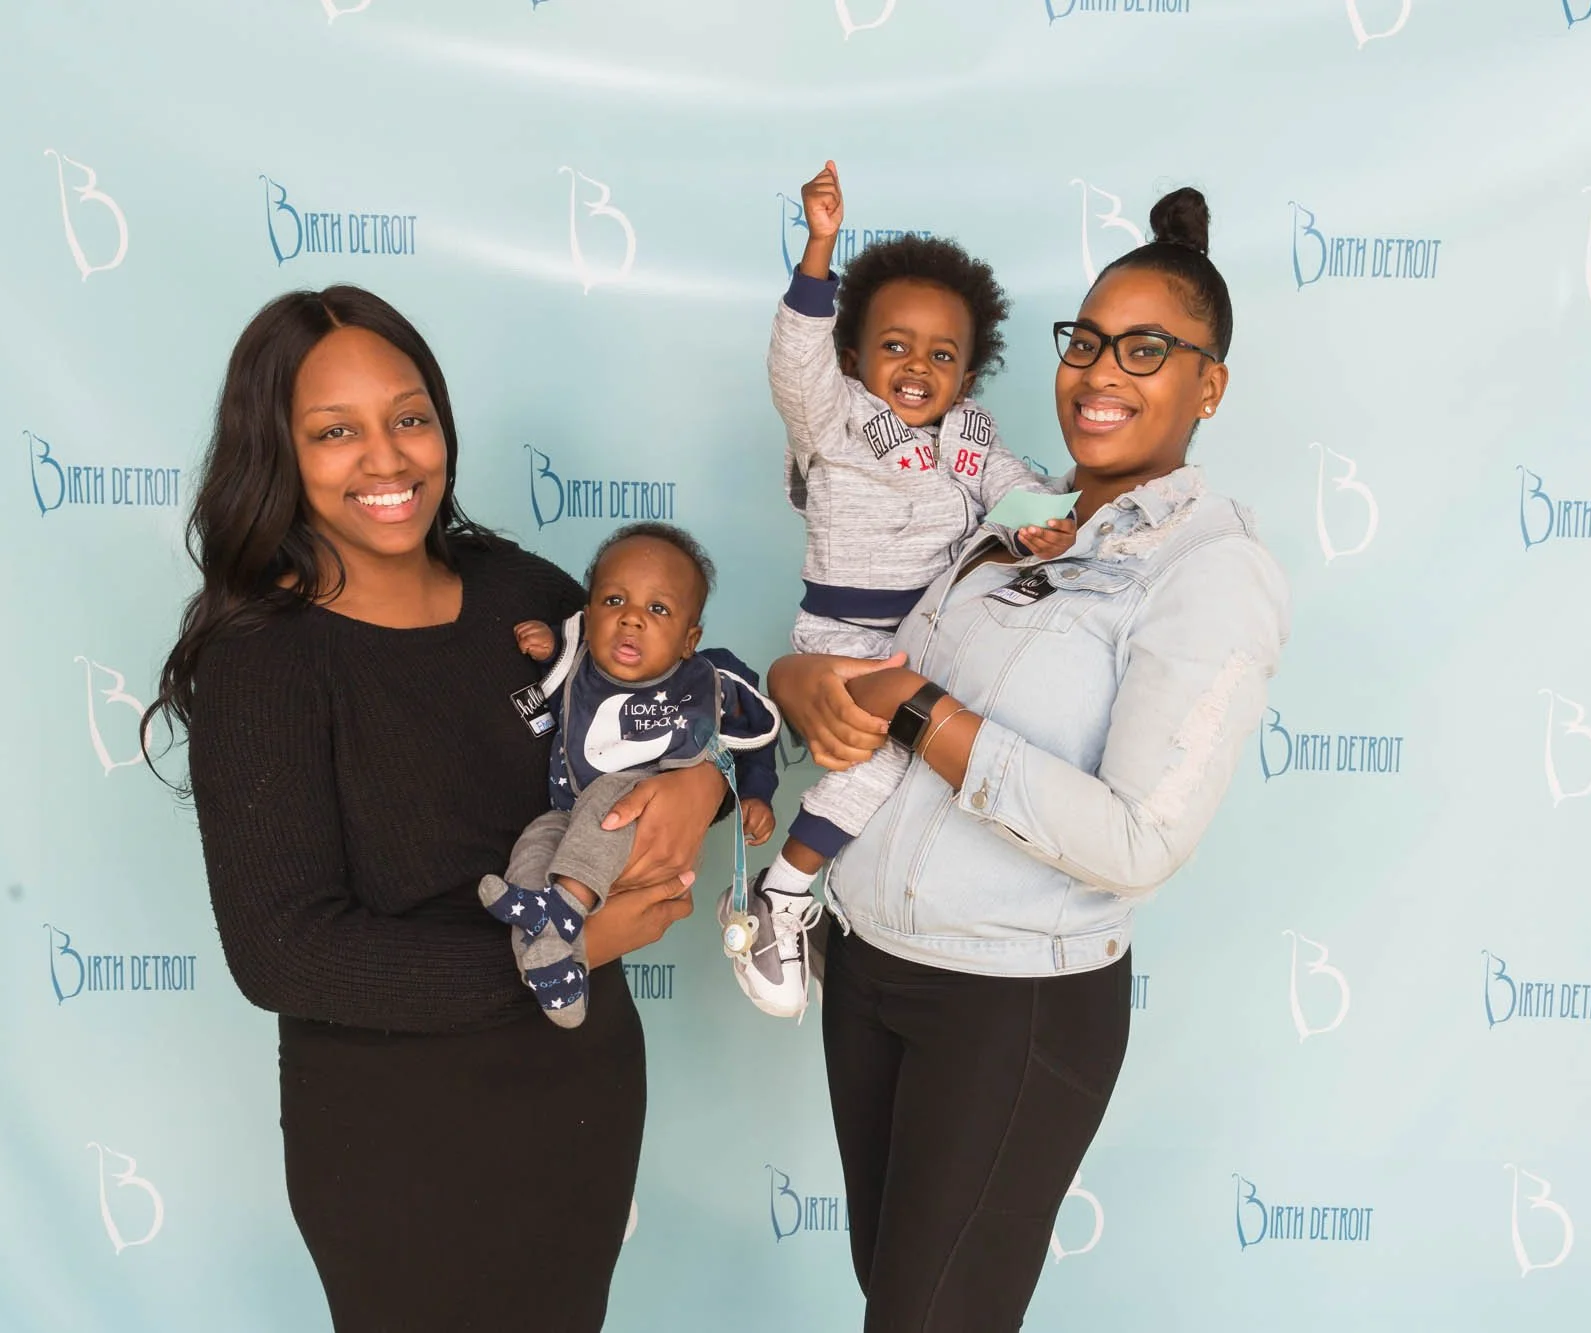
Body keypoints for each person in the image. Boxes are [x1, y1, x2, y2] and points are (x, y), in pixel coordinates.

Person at [146, 285, 728, 1332]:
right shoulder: (263, 662)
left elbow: (656, 726)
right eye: (336, 432)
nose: (387, 458)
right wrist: (571, 949)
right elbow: (284, 954)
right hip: (397, 1135)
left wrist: (705, 785)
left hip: (581, 1091)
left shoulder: (522, 593)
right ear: (277, 452)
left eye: (409, 417)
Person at [766, 187, 1292, 1331]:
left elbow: (1137, 839)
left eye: (1145, 350)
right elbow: (870, 662)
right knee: (893, 1299)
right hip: (868, 967)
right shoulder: (1010, 516)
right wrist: (795, 679)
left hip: (1008, 1005)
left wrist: (923, 715)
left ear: (1208, 386)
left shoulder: (1208, 569)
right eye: (1086, 342)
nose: (1100, 373)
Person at [737, 159, 1075, 1018]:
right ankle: (780, 895)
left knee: (953, 763)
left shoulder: (972, 436)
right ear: (852, 357)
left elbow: (1016, 490)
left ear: (968, 374)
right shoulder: (834, 421)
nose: (918, 365)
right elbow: (794, 364)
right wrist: (819, 250)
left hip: (939, 638)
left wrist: (1042, 524)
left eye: (942, 354)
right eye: (895, 346)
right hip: (849, 641)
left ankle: (851, 903)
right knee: (881, 763)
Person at [481, 522, 780, 1028]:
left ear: (689, 640)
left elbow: (752, 737)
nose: (632, 618)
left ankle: (562, 908)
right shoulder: (575, 666)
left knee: (610, 799)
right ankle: (555, 969)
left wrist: (755, 793)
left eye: (658, 609)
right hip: (569, 821)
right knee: (533, 847)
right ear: (588, 615)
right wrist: (552, 649)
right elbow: (557, 698)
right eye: (614, 601)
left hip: (638, 824)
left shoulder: (705, 681)